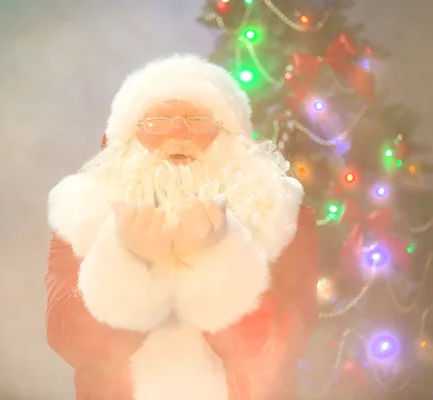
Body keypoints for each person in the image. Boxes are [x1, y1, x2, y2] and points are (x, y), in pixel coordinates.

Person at [45, 54, 319, 400]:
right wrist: (129, 263)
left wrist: (218, 257)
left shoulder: (285, 217)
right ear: (128, 137)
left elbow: (274, 349)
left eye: (196, 120)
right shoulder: (82, 216)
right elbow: (73, 344)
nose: (177, 133)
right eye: (157, 119)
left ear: (228, 136)